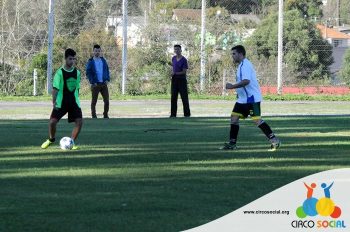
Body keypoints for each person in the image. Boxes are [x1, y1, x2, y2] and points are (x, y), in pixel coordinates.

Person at [221, 45, 281, 151]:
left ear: (240, 54)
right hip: (242, 99)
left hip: (251, 99)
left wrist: (232, 86)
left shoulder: (245, 65)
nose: (232, 56)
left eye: (234, 54)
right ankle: (232, 144)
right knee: (234, 118)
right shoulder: (240, 65)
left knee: (257, 120)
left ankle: (275, 141)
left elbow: (246, 81)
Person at [41, 48, 83, 150]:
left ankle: (71, 142)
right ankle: (51, 139)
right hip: (61, 102)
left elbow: (77, 88)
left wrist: (77, 100)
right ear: (65, 59)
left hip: (73, 102)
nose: (72, 61)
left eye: (73, 59)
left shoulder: (77, 73)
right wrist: (54, 101)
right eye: (70, 59)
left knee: (79, 122)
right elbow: (55, 89)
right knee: (52, 122)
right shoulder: (59, 73)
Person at [86, 44, 111, 119]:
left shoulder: (103, 60)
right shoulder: (90, 62)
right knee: (94, 101)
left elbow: (107, 70)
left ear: (100, 51)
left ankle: (105, 115)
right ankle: (94, 116)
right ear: (93, 51)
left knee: (106, 101)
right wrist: (93, 82)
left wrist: (107, 79)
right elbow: (88, 72)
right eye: (96, 51)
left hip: (103, 84)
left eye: (98, 51)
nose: (97, 52)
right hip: (95, 84)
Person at [170, 44, 191, 117]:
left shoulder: (184, 60)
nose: (176, 51)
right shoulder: (173, 58)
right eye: (175, 49)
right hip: (174, 80)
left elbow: (184, 71)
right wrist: (172, 73)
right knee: (173, 97)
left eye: (178, 49)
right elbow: (173, 68)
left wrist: (175, 73)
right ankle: (173, 114)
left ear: (180, 50)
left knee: (184, 97)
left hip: (181, 80)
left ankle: (187, 114)